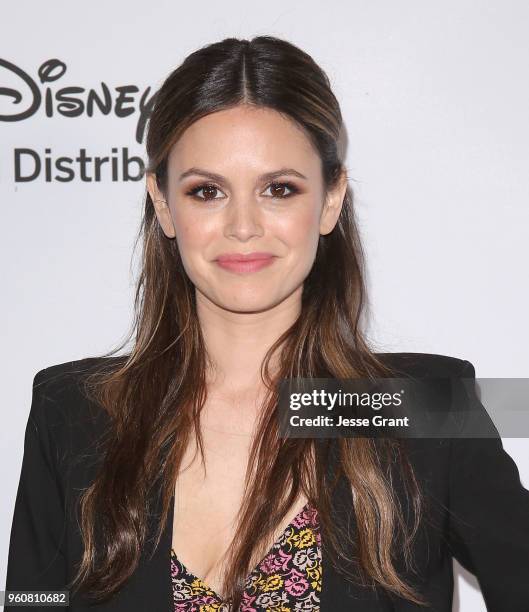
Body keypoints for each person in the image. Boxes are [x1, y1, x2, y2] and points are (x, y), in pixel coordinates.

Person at [5, 35, 529, 612]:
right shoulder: (75, 410)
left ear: (331, 199)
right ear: (162, 205)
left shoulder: (419, 405)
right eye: (206, 191)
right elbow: (32, 600)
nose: (243, 226)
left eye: (279, 189)